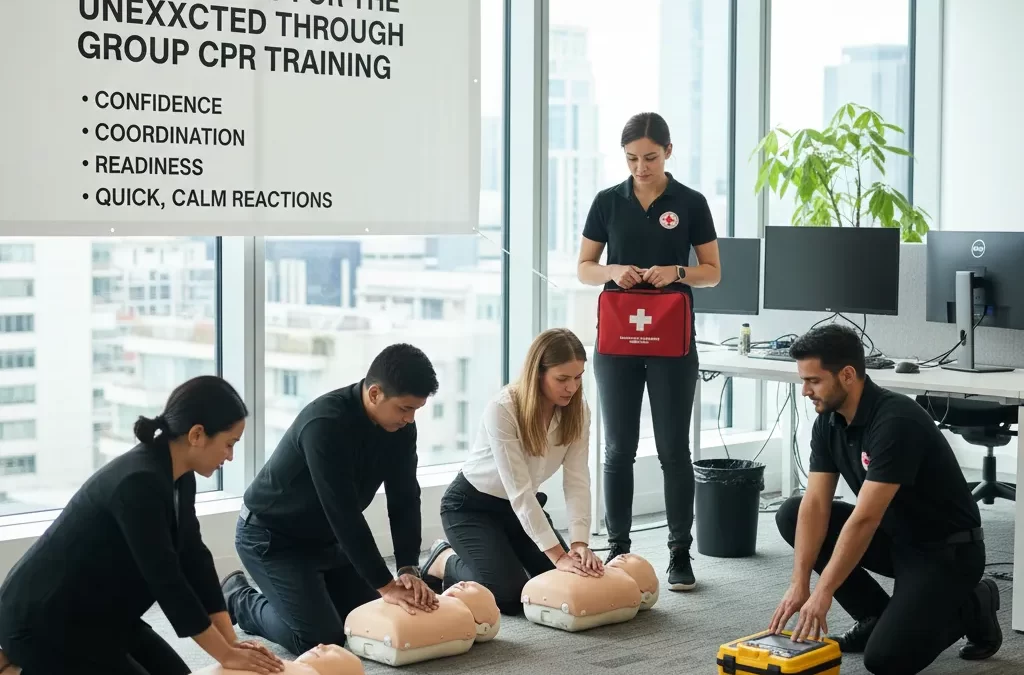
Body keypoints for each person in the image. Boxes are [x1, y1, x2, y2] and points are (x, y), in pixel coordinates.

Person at [0, 376, 284, 675]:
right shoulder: (137, 483)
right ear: (197, 434)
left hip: (103, 615)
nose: (230, 456)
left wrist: (232, 644)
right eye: (229, 444)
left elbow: (193, 557)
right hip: (42, 624)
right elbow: (168, 582)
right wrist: (225, 655)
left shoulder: (180, 475)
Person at [769, 324, 1002, 674]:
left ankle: (973, 604)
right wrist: (799, 582)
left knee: (885, 660)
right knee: (791, 513)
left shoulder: (895, 422)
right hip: (896, 538)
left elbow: (864, 519)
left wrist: (823, 593)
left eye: (813, 381)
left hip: (945, 552)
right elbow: (815, 504)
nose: (804, 391)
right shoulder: (828, 421)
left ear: (847, 375)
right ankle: (874, 615)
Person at [576, 111, 721, 590]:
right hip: (617, 341)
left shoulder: (691, 202)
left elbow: (712, 271)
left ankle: (680, 552)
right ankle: (618, 549)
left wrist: (676, 272)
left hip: (672, 341)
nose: (640, 167)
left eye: (650, 158)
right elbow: (584, 267)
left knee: (672, 449)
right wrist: (613, 270)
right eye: (632, 159)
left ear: (669, 152)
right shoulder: (607, 202)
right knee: (617, 449)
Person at [222, 344, 441, 656]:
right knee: (321, 638)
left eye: (416, 410)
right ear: (375, 393)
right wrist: (385, 584)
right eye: (405, 409)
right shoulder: (325, 423)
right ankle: (239, 598)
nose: (410, 418)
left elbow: (404, 496)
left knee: (370, 617)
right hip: (271, 539)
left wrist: (407, 567)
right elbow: (344, 513)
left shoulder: (401, 427)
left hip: (325, 540)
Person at [420, 328, 604, 615]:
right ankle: (442, 560)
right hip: (472, 509)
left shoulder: (578, 413)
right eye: (562, 379)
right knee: (507, 595)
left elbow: (578, 480)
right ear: (538, 373)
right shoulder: (503, 408)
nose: (572, 388)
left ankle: (503, 555)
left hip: (520, 512)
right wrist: (558, 555)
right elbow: (519, 491)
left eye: (578, 377)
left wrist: (579, 545)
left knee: (564, 580)